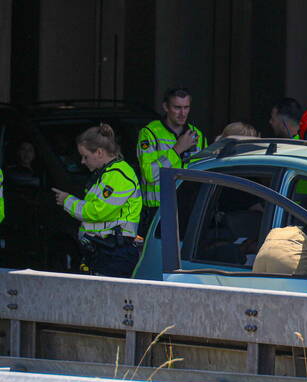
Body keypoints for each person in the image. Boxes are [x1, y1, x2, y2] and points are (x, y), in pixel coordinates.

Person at [52, 124, 142, 278]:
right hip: (104, 251)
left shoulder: (119, 175)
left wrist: (67, 201)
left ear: (99, 152)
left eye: (85, 156)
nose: (82, 161)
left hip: (115, 253)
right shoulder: (106, 174)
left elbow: (96, 212)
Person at [137, 87, 207, 235]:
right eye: (177, 108)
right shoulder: (149, 133)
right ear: (165, 107)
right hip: (158, 209)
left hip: (189, 207)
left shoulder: (197, 134)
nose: (182, 113)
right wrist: (177, 150)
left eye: (186, 107)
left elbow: (206, 172)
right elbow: (149, 174)